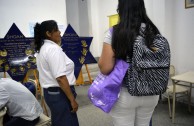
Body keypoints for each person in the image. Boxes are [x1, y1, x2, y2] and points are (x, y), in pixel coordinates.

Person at [98, 0, 160, 126]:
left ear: (121, 8)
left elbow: (105, 68)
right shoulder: (153, 31)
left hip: (126, 92)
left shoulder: (115, 32)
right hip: (151, 92)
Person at [34, 20, 79, 126]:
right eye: (57, 30)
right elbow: (60, 78)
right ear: (48, 34)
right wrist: (72, 100)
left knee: (59, 121)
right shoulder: (53, 49)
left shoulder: (43, 48)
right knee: (67, 122)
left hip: (52, 94)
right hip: (60, 94)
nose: (60, 33)